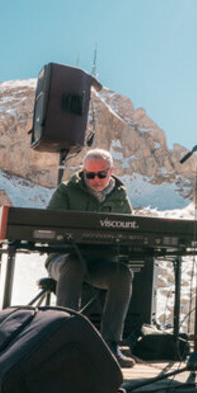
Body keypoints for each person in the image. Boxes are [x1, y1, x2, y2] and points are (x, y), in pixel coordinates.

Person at [45, 148, 136, 368]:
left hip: (100, 263)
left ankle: (110, 345)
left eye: (101, 175)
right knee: (74, 264)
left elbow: (131, 230)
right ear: (83, 172)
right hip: (64, 260)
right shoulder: (66, 191)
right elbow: (48, 225)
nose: (95, 180)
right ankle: (64, 343)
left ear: (111, 171)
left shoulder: (120, 195)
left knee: (122, 274)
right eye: (90, 175)